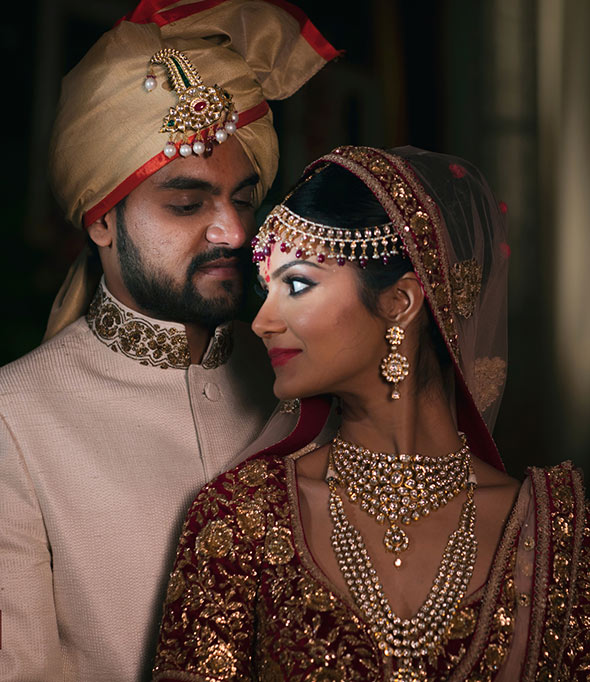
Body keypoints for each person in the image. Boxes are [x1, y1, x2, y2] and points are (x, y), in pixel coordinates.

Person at [152, 145, 590, 681]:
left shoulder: (555, 537)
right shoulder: (244, 519)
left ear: (401, 302)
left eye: (298, 284)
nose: (263, 321)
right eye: (268, 290)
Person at [0, 1, 338, 679]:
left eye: (244, 199)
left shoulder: (301, 377)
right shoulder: (16, 422)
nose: (233, 233)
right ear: (101, 220)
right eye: (187, 204)